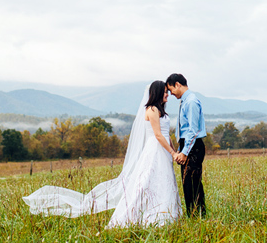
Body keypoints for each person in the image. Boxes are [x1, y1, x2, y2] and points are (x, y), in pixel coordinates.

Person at [23, 81, 182, 228]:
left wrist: (173, 151)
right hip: (155, 150)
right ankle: (143, 215)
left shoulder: (161, 111)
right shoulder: (152, 110)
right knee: (147, 182)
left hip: (164, 150)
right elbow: (158, 135)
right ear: (157, 92)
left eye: (168, 92)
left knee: (163, 180)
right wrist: (173, 152)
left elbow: (166, 135)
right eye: (165, 92)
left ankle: (166, 213)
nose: (167, 94)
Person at [166, 73, 207, 217]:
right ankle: (196, 215)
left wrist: (184, 152)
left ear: (177, 84)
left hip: (193, 146)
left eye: (171, 90)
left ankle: (197, 216)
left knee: (192, 183)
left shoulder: (191, 102)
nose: (171, 94)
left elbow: (193, 130)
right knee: (189, 183)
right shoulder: (185, 101)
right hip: (187, 144)